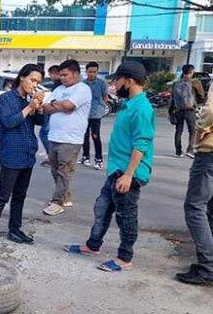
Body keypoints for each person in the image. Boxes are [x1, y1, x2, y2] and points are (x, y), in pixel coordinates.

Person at [64, 62, 155, 273]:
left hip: (127, 174)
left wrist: (129, 175)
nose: (114, 84)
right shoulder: (129, 104)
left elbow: (141, 144)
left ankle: (125, 258)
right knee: (102, 208)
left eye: (117, 80)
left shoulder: (142, 108)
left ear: (129, 81)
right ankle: (92, 245)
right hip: (117, 170)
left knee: (126, 216)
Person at [0, 64, 45, 249]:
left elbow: (40, 122)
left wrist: (39, 107)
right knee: (3, 195)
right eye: (32, 80)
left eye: (38, 82)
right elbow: (9, 122)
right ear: (21, 78)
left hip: (27, 154)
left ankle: (14, 229)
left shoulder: (30, 100)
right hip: (11, 154)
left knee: (20, 195)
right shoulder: (5, 99)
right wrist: (29, 107)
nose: (34, 85)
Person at [41, 59, 92, 216]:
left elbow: (70, 106)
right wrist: (60, 105)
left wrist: (59, 105)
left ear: (76, 74)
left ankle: (57, 202)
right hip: (54, 136)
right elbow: (46, 107)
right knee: (55, 169)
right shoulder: (59, 89)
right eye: (60, 75)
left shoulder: (82, 89)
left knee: (65, 171)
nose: (62, 78)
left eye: (65, 75)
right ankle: (66, 197)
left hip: (71, 138)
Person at [177, 84, 213, 285]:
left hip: (210, 152)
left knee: (194, 207)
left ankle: (208, 267)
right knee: (210, 207)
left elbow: (210, 111)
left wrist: (201, 127)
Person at [169, 64, 205, 158]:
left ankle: (178, 151)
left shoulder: (176, 83)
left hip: (178, 109)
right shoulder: (195, 82)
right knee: (192, 130)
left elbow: (172, 98)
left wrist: (170, 112)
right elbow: (201, 95)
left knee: (178, 130)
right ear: (192, 72)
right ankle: (190, 150)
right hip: (190, 109)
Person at [79, 62, 109, 170]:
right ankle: (85, 157)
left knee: (95, 136)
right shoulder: (82, 84)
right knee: (84, 136)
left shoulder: (102, 83)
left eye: (94, 72)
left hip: (96, 113)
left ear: (97, 72)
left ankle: (98, 159)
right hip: (84, 114)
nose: (92, 74)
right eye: (90, 72)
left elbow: (105, 97)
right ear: (86, 72)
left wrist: (103, 108)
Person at [39, 65, 60, 167]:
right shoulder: (58, 84)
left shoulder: (59, 84)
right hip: (52, 112)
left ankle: (51, 156)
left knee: (44, 133)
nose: (50, 77)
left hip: (52, 112)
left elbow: (55, 101)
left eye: (50, 74)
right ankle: (51, 155)